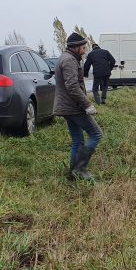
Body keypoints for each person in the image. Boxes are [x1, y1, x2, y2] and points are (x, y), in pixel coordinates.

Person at [54, 32, 102, 181]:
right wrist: (87, 104)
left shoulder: (67, 57)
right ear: (75, 47)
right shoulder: (69, 61)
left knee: (77, 140)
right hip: (73, 107)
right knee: (96, 134)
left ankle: (73, 173)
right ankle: (80, 169)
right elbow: (72, 86)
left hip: (67, 106)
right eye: (83, 47)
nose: (85, 49)